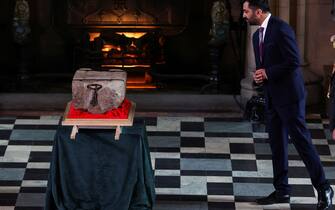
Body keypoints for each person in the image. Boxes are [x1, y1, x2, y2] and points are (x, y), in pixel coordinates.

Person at [242, 1, 333, 209]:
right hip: (272, 98)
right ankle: (282, 191)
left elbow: (293, 61)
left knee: (303, 144)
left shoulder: (282, 28)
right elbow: (264, 68)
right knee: (277, 146)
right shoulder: (257, 36)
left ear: (258, 11)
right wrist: (260, 77)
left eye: (246, 11)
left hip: (290, 97)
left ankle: (324, 188)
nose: (244, 16)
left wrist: (268, 72)